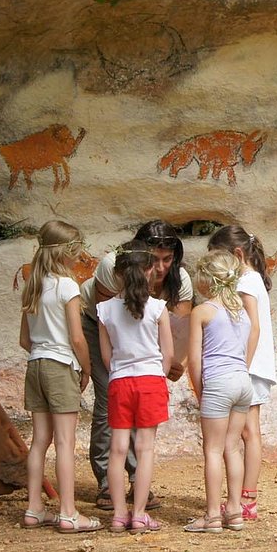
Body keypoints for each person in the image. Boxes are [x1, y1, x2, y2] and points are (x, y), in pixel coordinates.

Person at [80, 220, 194, 510]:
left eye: (168, 259)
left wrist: (174, 364)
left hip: (147, 340)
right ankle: (107, 481)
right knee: (108, 399)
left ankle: (134, 480)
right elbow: (111, 321)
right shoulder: (111, 266)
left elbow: (180, 326)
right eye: (154, 260)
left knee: (134, 412)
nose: (161, 267)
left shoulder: (181, 278)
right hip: (102, 327)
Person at [18, 220, 102, 533]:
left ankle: (34, 508)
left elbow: (24, 340)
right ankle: (68, 513)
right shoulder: (67, 286)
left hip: (36, 364)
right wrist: (87, 368)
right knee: (65, 442)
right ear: (66, 253)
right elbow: (78, 338)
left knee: (40, 441)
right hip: (60, 364)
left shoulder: (32, 285)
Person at [97, 240, 174, 533]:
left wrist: (120, 371)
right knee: (145, 449)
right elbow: (167, 354)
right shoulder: (157, 308)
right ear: (150, 269)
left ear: (118, 273)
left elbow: (106, 356)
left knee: (117, 449)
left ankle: (118, 515)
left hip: (120, 381)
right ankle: (139, 514)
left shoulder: (104, 309)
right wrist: (158, 375)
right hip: (150, 380)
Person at [183, 250, 253, 533]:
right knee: (232, 448)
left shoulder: (202, 311)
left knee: (212, 449)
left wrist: (202, 392)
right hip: (242, 383)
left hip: (218, 383)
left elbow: (195, 360)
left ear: (206, 280)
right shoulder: (243, 314)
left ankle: (212, 515)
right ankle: (234, 511)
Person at [208, 224, 275, 521]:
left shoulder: (246, 282)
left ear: (237, 254)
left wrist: (241, 365)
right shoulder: (254, 279)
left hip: (249, 365)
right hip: (254, 365)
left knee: (247, 433)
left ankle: (246, 497)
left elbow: (253, 326)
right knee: (250, 432)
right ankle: (246, 497)